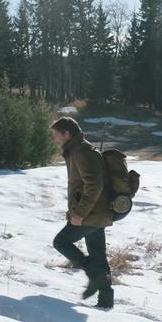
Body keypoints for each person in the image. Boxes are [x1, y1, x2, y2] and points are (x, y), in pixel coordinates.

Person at [50, 117, 115, 310]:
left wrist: (79, 213)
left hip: (90, 214)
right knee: (98, 256)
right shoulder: (78, 150)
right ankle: (106, 301)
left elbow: (94, 185)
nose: (55, 140)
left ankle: (94, 276)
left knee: (61, 242)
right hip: (97, 213)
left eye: (56, 135)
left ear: (67, 133)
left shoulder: (81, 152)